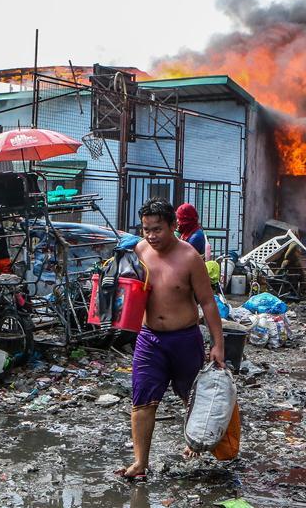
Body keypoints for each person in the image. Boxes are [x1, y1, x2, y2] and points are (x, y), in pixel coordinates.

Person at [117, 197, 224, 482]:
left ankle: (196, 441)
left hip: (185, 338)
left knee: (192, 396)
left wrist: (218, 345)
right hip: (149, 340)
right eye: (146, 229)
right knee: (142, 401)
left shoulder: (190, 257)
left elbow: (208, 303)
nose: (151, 236)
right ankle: (140, 462)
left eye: (157, 229)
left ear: (174, 226)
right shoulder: (139, 251)